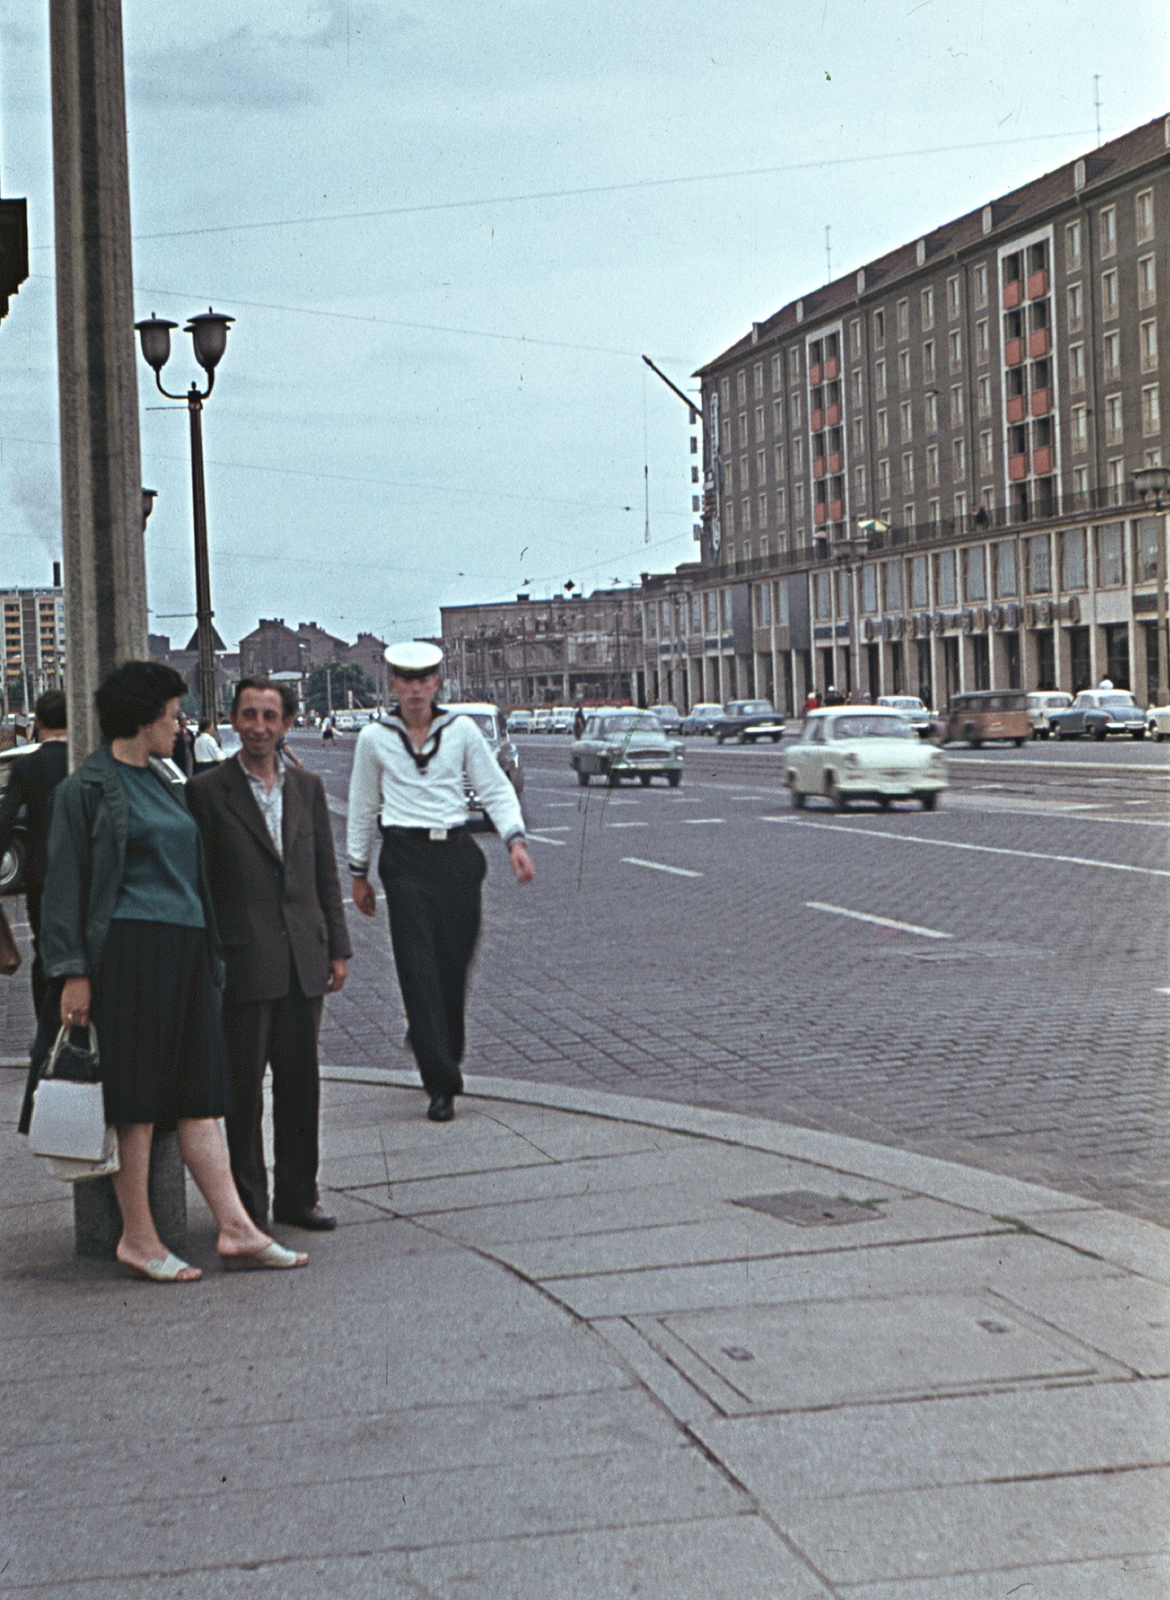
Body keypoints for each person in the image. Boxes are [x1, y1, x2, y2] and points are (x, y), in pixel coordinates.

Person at [25, 660, 305, 1282]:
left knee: (199, 1098)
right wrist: (72, 973)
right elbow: (63, 888)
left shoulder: (166, 778)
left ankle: (237, 1229)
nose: (180, 726)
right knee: (138, 1104)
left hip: (184, 952)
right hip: (130, 954)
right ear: (144, 717)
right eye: (173, 715)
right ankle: (139, 1237)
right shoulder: (87, 789)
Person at [346, 642, 536, 1123]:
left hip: (455, 857)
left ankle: (434, 1038)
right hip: (404, 859)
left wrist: (514, 841)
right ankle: (441, 1082)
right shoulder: (374, 738)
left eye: (423, 679)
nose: (415, 689)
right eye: (405, 680)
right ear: (393, 684)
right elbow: (363, 804)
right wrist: (359, 871)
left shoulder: (462, 731)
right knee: (417, 966)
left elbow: (494, 787)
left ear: (436, 683)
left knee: (453, 965)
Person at [187, 678, 351, 1231]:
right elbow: (202, 883)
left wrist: (338, 948)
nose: (259, 726)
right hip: (243, 960)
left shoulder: (307, 787)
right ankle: (247, 1207)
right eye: (249, 714)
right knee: (242, 1090)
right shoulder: (207, 791)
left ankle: (298, 1197)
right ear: (233, 719)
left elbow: (325, 873)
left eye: (270, 716)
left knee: (301, 1083)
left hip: (304, 957)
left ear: (287, 723)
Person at [0, 690, 69, 1019]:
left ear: (37, 722)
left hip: (42, 873)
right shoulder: (84, 761)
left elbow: (5, 821)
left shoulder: (26, 767)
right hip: (82, 872)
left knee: (44, 951)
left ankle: (47, 1024)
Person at [171, 711, 196, 777]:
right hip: (179, 757)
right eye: (183, 720)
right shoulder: (176, 733)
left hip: (189, 756)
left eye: (185, 720)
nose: (185, 722)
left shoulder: (189, 732)